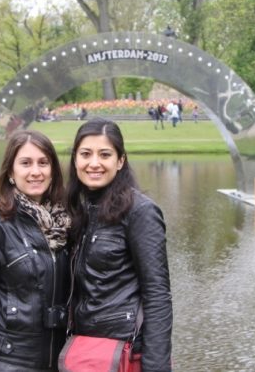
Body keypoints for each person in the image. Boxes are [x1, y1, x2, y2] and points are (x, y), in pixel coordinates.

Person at [65, 118, 173, 370]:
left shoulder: (140, 212)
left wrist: (156, 366)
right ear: (75, 160)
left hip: (126, 351)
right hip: (84, 351)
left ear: (120, 161)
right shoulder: (78, 210)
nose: (94, 163)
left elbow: (157, 295)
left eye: (105, 154)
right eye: (86, 154)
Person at [0, 130, 71, 371]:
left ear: (53, 170)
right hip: (12, 363)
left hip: (64, 360)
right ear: (11, 172)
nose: (36, 171)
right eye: (26, 163)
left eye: (43, 163)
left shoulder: (67, 223)